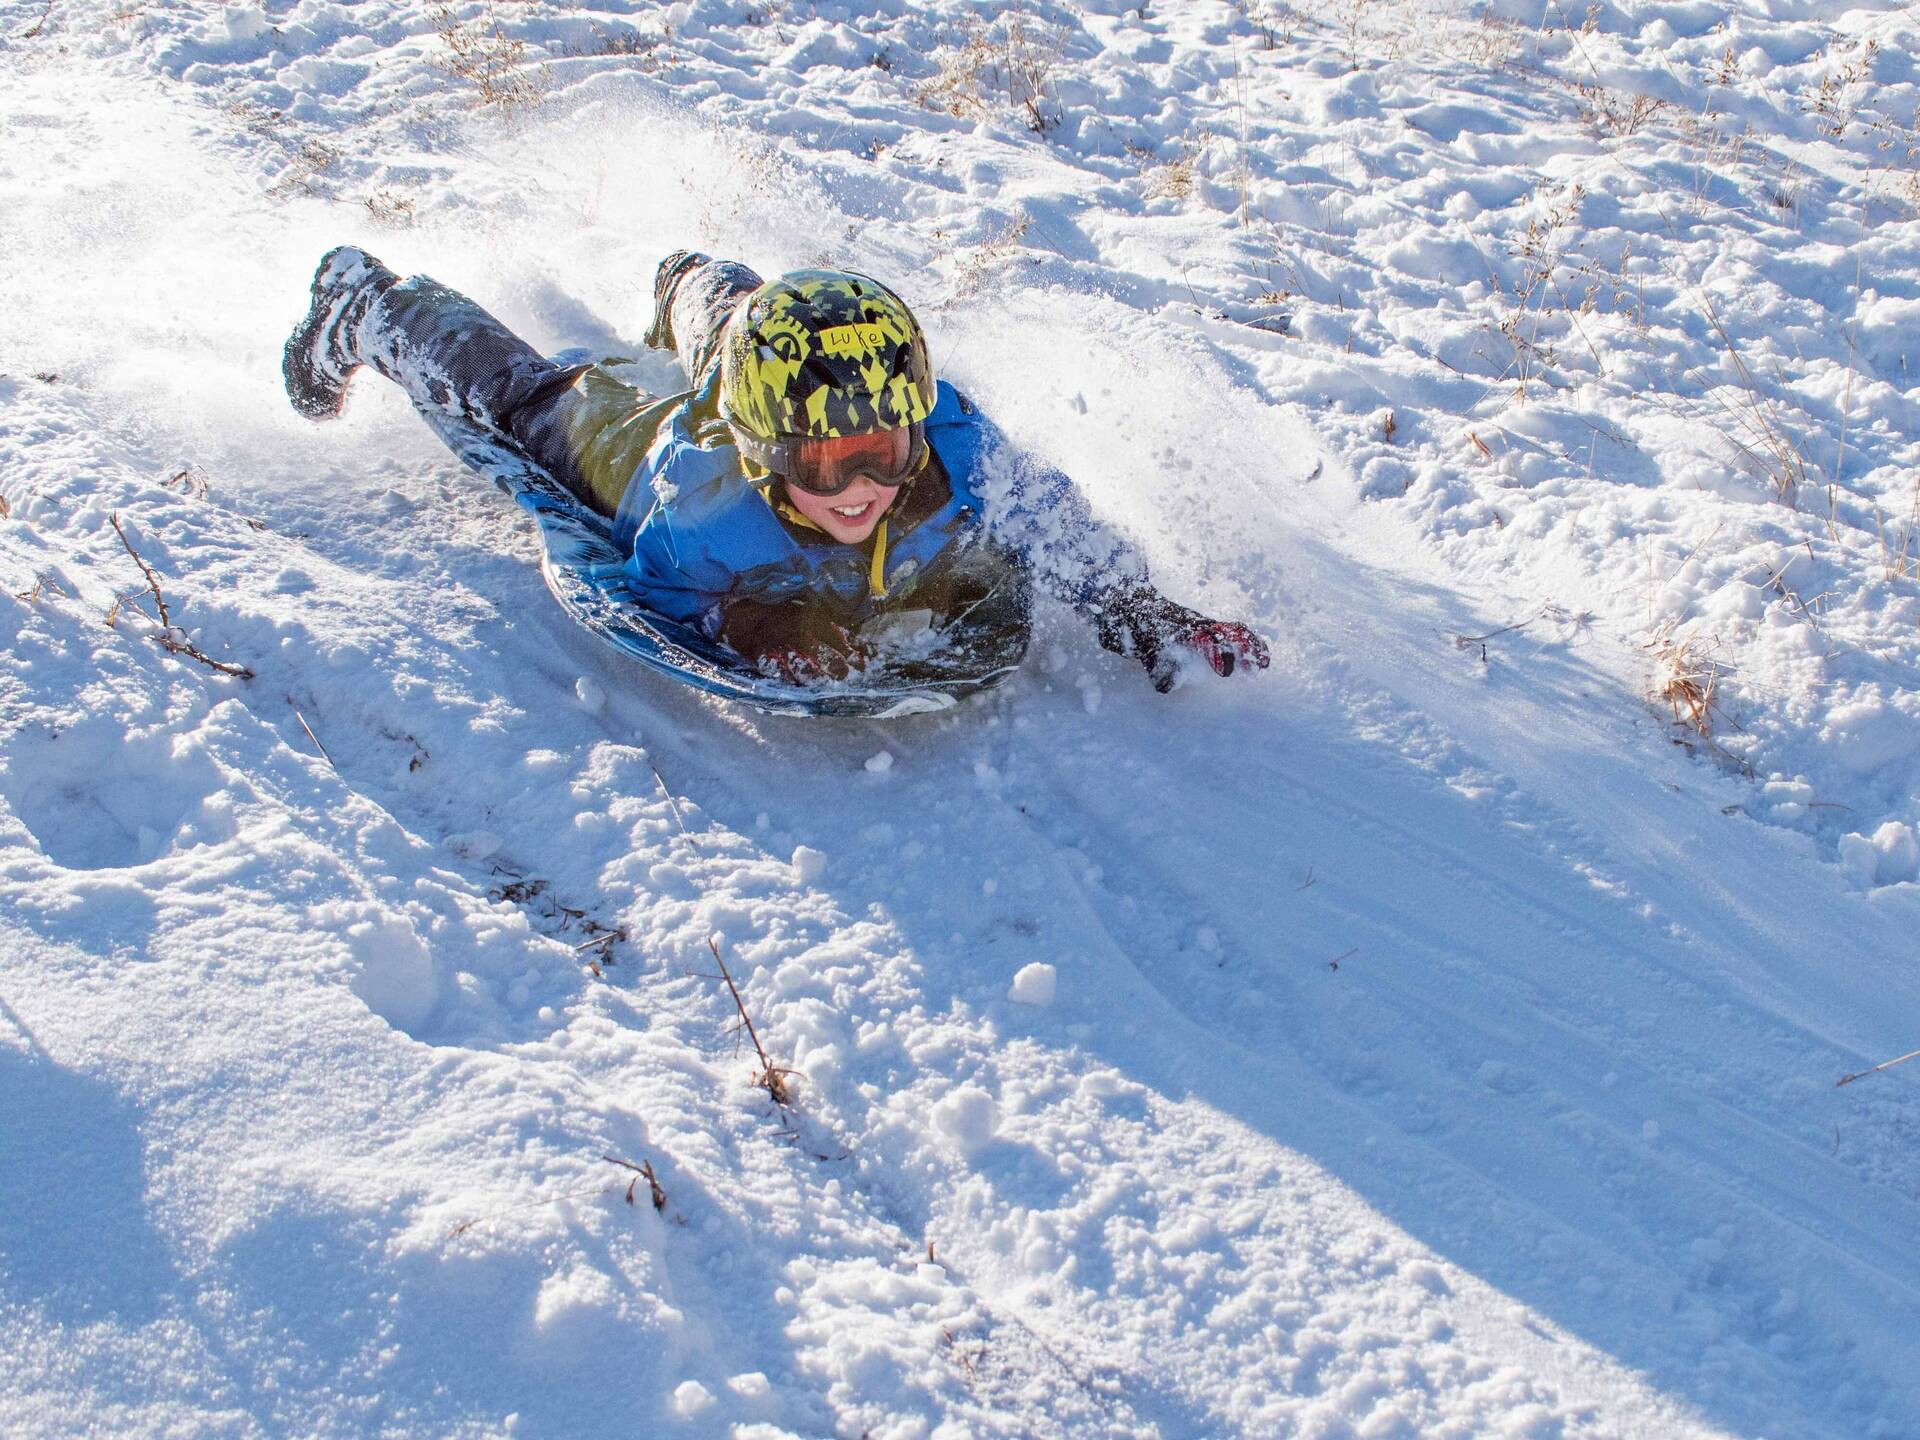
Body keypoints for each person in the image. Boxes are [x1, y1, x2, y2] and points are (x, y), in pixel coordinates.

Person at [282, 245, 1269, 691]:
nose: (855, 493)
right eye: (819, 468)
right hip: (633, 440)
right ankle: (372, 306)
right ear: (764, 458)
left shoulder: (954, 447)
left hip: (759, 386)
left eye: (876, 457)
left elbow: (1053, 524)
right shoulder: (704, 514)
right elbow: (658, 594)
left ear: (913, 425)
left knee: (764, 337)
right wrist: (757, 625)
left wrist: (1145, 609)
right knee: (531, 405)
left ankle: (693, 285)